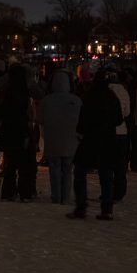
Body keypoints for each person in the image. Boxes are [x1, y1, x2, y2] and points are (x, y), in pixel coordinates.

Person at [68, 71, 123, 221]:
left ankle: (81, 206)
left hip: (91, 140)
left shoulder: (89, 96)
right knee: (106, 176)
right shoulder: (112, 97)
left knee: (80, 172)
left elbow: (83, 119)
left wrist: (81, 131)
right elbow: (119, 119)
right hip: (107, 140)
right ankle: (107, 209)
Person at [37, 70, 81, 205]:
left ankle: (56, 196)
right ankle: (65, 196)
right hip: (70, 140)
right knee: (67, 169)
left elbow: (40, 119)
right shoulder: (76, 101)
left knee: (54, 168)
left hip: (52, 139)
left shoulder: (46, 101)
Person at [0, 64, 38, 202]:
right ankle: (25, 192)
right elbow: (30, 114)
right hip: (22, 130)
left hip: (9, 130)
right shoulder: (26, 94)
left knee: (10, 163)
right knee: (24, 164)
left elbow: (2, 112)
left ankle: (8, 191)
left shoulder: (6, 92)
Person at [107, 70, 132, 202]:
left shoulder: (107, 92)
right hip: (122, 132)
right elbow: (127, 112)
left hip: (110, 132)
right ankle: (120, 191)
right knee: (121, 165)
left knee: (108, 164)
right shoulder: (124, 92)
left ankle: (108, 190)